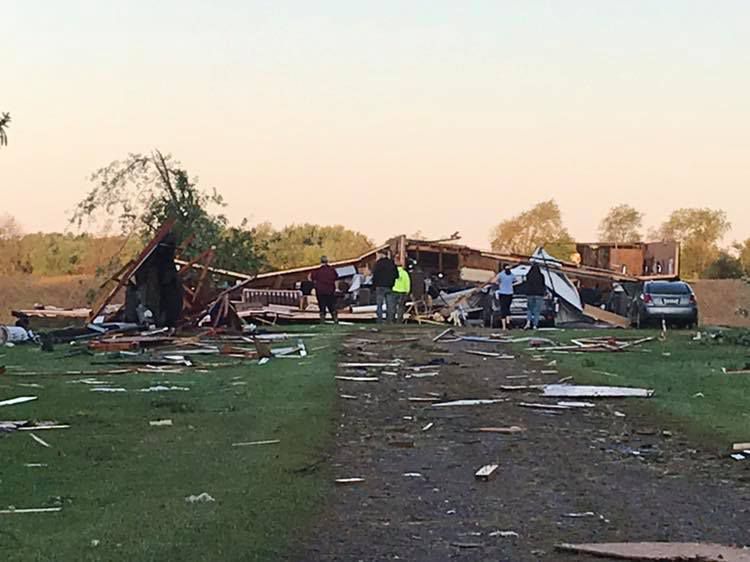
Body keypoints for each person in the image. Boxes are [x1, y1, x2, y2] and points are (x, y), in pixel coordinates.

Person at [372, 251, 398, 323]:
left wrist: (374, 286)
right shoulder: (391, 263)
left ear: (381, 255)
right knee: (389, 304)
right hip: (389, 286)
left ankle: (379, 320)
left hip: (379, 286)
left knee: (379, 304)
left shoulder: (378, 264)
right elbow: (396, 275)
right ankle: (389, 320)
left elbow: (374, 275)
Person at [310, 255, 338, 324]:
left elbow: (311, 278)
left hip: (320, 291)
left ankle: (322, 320)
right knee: (331, 305)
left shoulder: (316, 270)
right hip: (330, 290)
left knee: (322, 306)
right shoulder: (332, 270)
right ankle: (335, 319)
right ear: (327, 261)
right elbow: (336, 278)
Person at [524, 263, 546, 330]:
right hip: (539, 294)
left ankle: (528, 322)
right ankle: (535, 325)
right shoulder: (541, 276)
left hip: (530, 294)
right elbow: (543, 285)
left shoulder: (528, 275)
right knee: (537, 310)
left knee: (529, 309)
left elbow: (526, 283)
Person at [495, 263, 515, 330]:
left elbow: (495, 281)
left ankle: (504, 326)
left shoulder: (501, 274)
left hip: (502, 293)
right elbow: (515, 280)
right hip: (510, 293)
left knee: (503, 309)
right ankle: (508, 322)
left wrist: (499, 283)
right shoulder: (511, 275)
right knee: (508, 308)